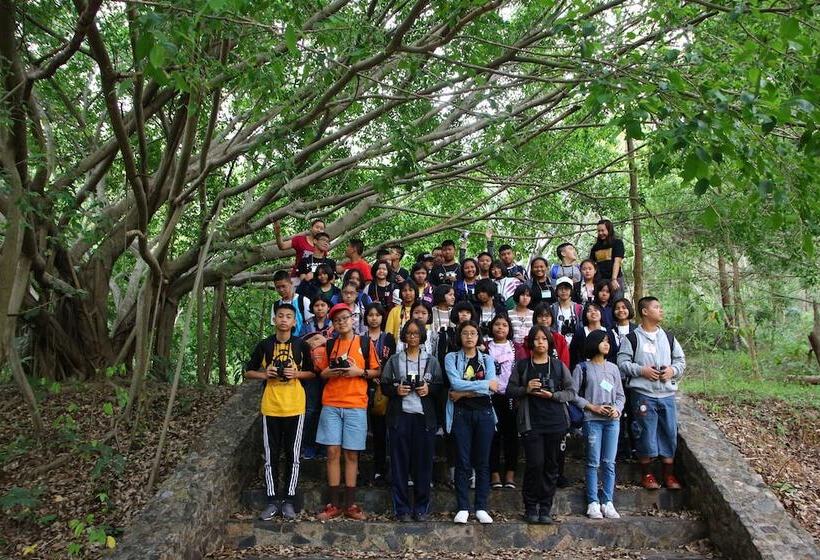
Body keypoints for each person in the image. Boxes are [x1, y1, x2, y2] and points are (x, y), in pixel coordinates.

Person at [244, 304, 315, 520]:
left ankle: (290, 500)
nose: (284, 320)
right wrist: (265, 374)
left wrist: (296, 373)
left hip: (295, 406)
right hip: (271, 406)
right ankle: (272, 499)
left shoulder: (301, 345)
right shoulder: (265, 345)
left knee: (293, 456)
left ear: (295, 322)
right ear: (274, 320)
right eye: (280, 316)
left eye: (289, 317)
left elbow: (312, 373)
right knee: (271, 456)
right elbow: (247, 371)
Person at [316, 303, 381, 521]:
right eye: (337, 320)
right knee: (332, 452)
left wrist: (358, 371)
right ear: (332, 324)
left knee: (352, 453)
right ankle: (334, 503)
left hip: (356, 403)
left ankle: (351, 504)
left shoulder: (365, 342)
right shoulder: (330, 344)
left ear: (352, 319)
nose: (342, 322)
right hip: (332, 403)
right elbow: (321, 372)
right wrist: (331, 371)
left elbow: (376, 371)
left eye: (345, 318)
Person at [506, 325, 575, 524]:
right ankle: (530, 508)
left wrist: (553, 395)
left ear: (549, 342)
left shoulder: (558, 365)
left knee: (551, 466)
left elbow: (571, 392)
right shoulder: (522, 366)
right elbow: (509, 390)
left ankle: (545, 508)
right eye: (536, 339)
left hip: (556, 422)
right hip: (531, 422)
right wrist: (525, 389)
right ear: (530, 342)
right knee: (535, 464)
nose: (540, 343)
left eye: (544, 339)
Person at [617, 297, 686, 491]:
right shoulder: (632, 338)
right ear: (645, 312)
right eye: (657, 307)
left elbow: (680, 361)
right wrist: (641, 371)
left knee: (669, 432)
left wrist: (672, 371)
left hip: (666, 394)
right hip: (643, 394)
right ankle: (646, 474)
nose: (661, 310)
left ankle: (668, 474)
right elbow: (622, 363)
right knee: (645, 432)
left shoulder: (669, 338)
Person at [380, 320, 444, 521]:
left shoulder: (431, 361)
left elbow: (439, 386)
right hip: (400, 416)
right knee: (399, 464)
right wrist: (396, 390)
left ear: (422, 336)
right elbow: (384, 385)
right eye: (409, 333)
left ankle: (421, 507)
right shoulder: (394, 359)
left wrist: (428, 389)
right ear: (404, 335)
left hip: (424, 418)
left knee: (423, 464)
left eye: (416, 333)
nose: (413, 337)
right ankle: (402, 508)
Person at [444, 320, 499, 524]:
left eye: (473, 333)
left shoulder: (487, 359)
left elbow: (493, 387)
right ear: (460, 336)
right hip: (461, 415)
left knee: (483, 461)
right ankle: (463, 506)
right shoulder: (451, 358)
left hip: (484, 414)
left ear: (478, 337)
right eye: (465, 333)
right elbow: (454, 383)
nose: (469, 337)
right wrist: (482, 385)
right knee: (462, 461)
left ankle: (482, 506)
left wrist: (463, 393)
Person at [572, 330, 625, 520]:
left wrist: (617, 409)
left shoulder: (613, 368)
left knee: (609, 462)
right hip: (592, 420)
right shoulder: (582, 368)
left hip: (612, 421)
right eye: (602, 341)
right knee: (593, 461)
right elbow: (573, 394)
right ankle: (593, 501)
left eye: (608, 342)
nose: (606, 344)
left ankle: (608, 501)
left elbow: (620, 394)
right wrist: (592, 407)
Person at [363, 302, 396, 487]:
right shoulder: (360, 339)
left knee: (383, 430)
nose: (373, 318)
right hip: (362, 385)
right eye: (370, 315)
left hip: (384, 388)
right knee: (371, 431)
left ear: (383, 317)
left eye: (377, 315)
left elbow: (391, 361)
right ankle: (375, 470)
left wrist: (381, 377)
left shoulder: (389, 339)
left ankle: (385, 469)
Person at [486, 315, 518, 490]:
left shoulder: (515, 347)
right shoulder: (485, 347)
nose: (500, 328)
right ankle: (494, 473)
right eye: (497, 324)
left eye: (504, 325)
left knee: (511, 435)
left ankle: (511, 473)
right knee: (493, 436)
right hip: (490, 396)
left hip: (511, 396)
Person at [568, 303, 618, 371]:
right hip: (586, 370)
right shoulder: (580, 332)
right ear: (585, 315)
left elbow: (613, 353)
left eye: (596, 310)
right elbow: (574, 355)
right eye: (589, 311)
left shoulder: (608, 332)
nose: (593, 312)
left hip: (606, 369)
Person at [589, 219, 626, 300]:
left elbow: (617, 262)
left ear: (609, 230)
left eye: (603, 230)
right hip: (600, 281)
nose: (600, 233)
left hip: (615, 279)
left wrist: (614, 279)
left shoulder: (617, 243)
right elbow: (591, 264)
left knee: (617, 302)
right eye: (598, 231)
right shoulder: (595, 248)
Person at [272, 271, 312, 336]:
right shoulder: (276, 305)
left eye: (283, 286)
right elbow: (276, 327)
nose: (281, 290)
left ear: (291, 283)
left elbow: (311, 323)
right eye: (278, 287)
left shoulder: (303, 300)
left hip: (302, 341)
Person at [550, 277, 584, 346]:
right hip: (558, 345)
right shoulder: (552, 308)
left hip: (575, 345)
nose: (563, 291)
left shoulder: (579, 308)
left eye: (566, 288)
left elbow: (581, 327)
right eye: (561, 288)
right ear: (556, 291)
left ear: (571, 291)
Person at [473, 278, 507, 347]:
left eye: (483, 291)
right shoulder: (475, 309)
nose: (481, 294)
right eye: (478, 292)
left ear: (491, 291)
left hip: (497, 345)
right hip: (478, 345)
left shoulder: (501, 309)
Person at [509, 284, 534, 355]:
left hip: (530, 350)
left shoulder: (533, 314)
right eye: (522, 295)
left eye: (528, 295)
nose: (525, 298)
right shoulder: (508, 314)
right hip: (513, 350)